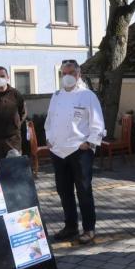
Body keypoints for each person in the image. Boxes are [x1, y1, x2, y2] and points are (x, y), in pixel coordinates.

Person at [45, 60, 105, 244]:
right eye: (64, 73)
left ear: (78, 74)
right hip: (58, 151)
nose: (68, 76)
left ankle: (89, 229)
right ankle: (70, 227)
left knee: (84, 191)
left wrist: (89, 143)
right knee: (64, 191)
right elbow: (49, 120)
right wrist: (49, 138)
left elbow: (98, 124)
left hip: (80, 151)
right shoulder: (56, 96)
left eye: (71, 72)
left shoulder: (88, 96)